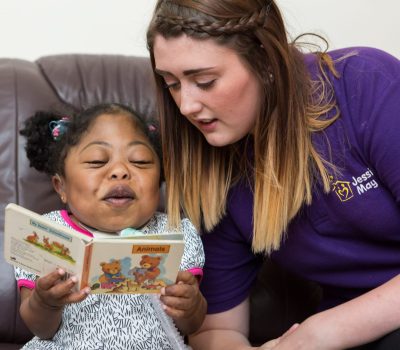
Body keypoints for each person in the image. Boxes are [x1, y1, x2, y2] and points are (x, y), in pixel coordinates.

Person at [146, 1, 400, 349]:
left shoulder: (366, 84)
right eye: (172, 84)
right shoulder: (213, 167)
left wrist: (321, 333)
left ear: (265, 60)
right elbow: (217, 332)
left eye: (204, 81)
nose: (186, 105)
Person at [15, 103, 206, 349]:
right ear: (61, 187)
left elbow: (192, 325)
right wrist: (46, 302)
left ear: (160, 180)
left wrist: (191, 306)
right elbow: (39, 327)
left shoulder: (175, 233)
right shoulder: (44, 234)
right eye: (97, 161)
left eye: (140, 161)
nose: (120, 171)